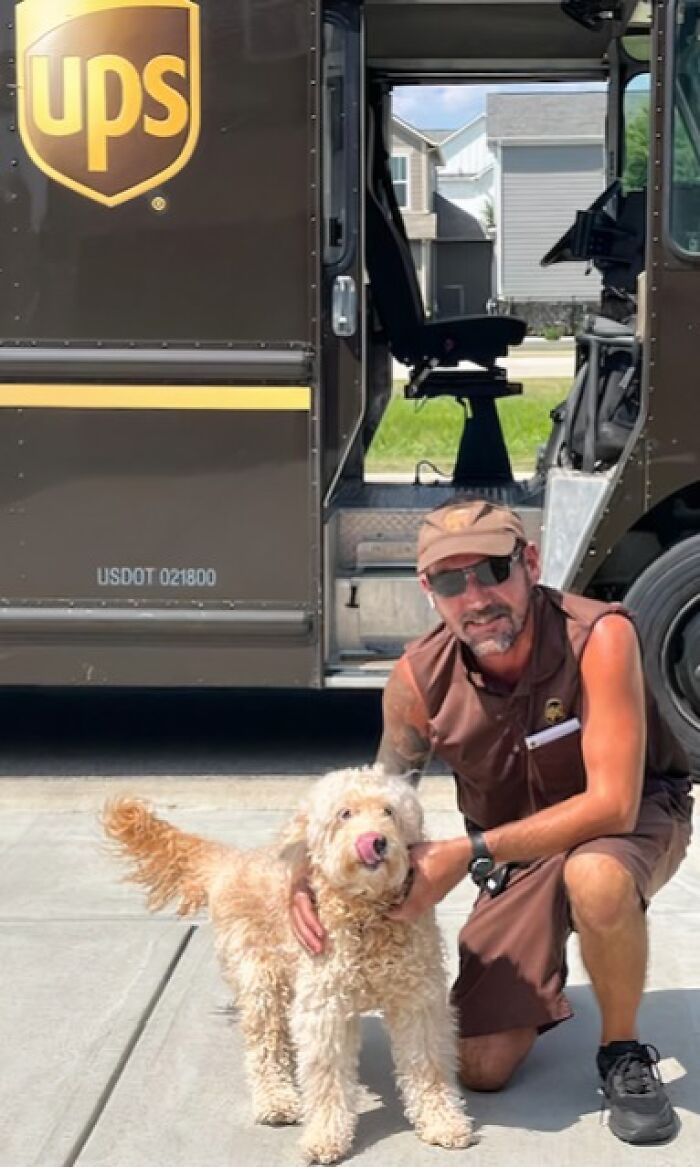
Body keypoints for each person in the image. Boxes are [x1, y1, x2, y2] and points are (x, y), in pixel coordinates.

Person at [291, 498, 693, 1146]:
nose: (475, 595)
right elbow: (377, 795)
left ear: (530, 562)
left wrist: (465, 853)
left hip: (633, 817)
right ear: (429, 590)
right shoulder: (417, 680)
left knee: (595, 875)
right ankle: (540, 956)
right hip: (519, 851)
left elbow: (614, 803)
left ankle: (622, 1049)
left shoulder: (600, 637)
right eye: (451, 580)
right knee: (480, 1066)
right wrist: (298, 871)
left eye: (493, 569)